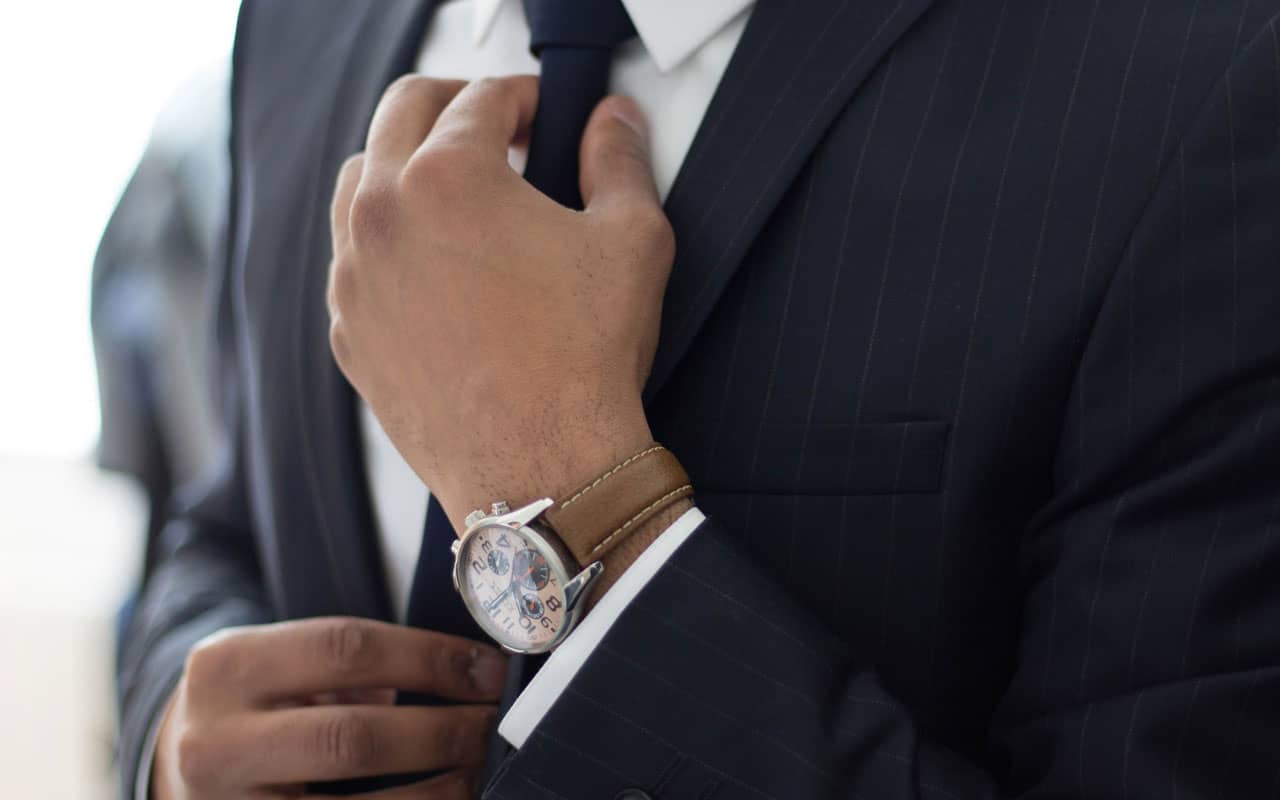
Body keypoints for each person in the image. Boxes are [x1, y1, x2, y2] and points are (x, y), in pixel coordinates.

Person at [117, 1, 1280, 798]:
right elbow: (227, 513)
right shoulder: (297, 22)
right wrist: (174, 736)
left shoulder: (1201, 84)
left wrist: (565, 494)